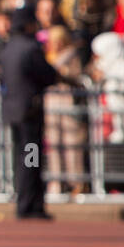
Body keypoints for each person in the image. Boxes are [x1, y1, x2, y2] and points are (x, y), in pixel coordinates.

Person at [0, 5, 60, 219]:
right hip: (30, 113)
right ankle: (29, 204)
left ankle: (25, 200)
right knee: (31, 159)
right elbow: (48, 75)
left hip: (13, 112)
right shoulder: (30, 48)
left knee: (21, 158)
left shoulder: (8, 48)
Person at [43, 25, 86, 196]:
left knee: (72, 143)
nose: (56, 44)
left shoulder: (72, 55)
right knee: (53, 143)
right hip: (51, 103)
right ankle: (56, 181)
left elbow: (78, 77)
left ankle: (76, 182)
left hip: (67, 102)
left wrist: (64, 73)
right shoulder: (45, 57)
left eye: (59, 40)